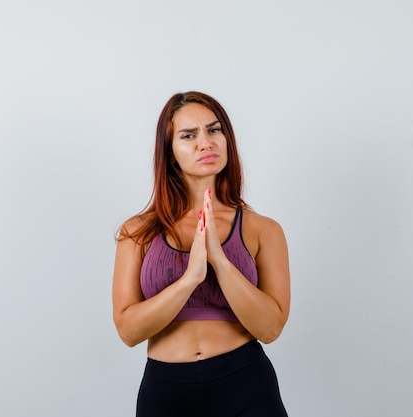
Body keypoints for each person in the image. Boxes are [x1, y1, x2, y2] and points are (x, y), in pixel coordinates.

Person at [112, 91, 290, 417]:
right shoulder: (136, 232)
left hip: (246, 383)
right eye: (188, 135)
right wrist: (189, 279)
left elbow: (270, 328)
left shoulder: (263, 229)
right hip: (166, 392)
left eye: (214, 130)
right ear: (170, 153)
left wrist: (220, 262)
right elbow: (128, 331)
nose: (205, 143)